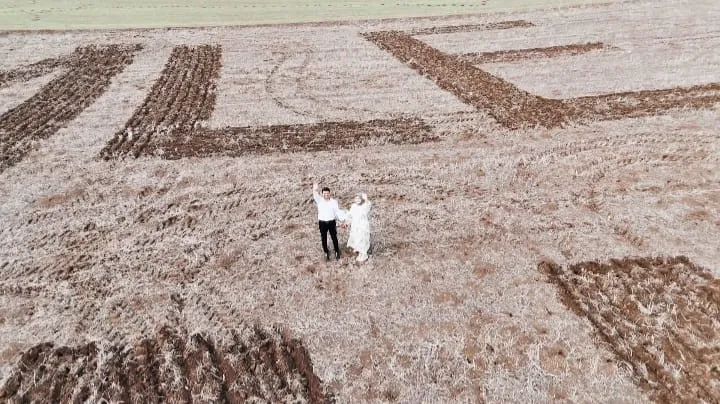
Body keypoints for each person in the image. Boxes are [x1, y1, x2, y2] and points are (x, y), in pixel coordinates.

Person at [312, 183, 343, 261]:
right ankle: (326, 252)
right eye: (324, 193)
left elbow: (337, 212)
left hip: (331, 222)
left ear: (330, 193)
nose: (326, 195)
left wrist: (341, 221)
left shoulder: (334, 201)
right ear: (322, 194)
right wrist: (315, 189)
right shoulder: (319, 200)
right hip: (322, 223)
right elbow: (315, 195)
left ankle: (337, 251)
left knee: (334, 237)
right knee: (324, 238)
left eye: (327, 193)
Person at [344, 193, 372, 262]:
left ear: (361, 199)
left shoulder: (364, 205)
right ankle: (360, 252)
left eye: (359, 198)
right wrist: (347, 223)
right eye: (356, 198)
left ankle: (364, 255)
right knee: (356, 239)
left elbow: (369, 205)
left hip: (362, 226)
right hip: (355, 226)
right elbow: (350, 216)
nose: (357, 200)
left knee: (362, 239)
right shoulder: (353, 206)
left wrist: (366, 199)